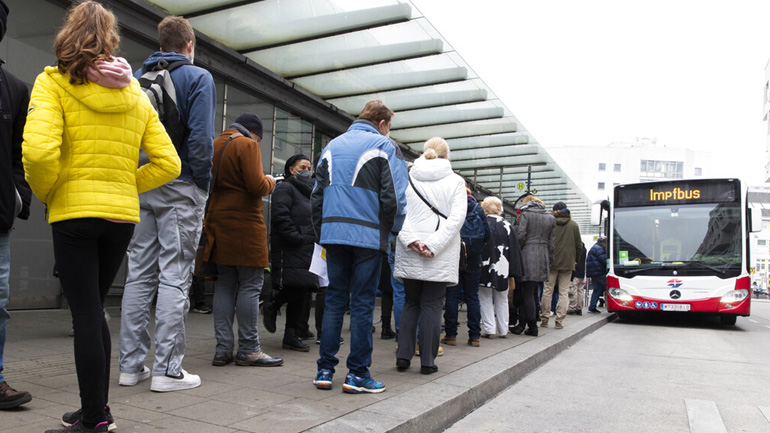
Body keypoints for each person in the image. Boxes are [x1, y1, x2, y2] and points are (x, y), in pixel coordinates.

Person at [22, 2, 181, 431]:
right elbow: (169, 164)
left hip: (73, 214)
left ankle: (93, 418)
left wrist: (49, 191)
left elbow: (38, 152)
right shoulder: (135, 93)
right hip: (120, 219)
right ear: (112, 39)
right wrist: (126, 186)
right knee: (95, 311)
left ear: (68, 34)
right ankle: (97, 410)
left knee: (86, 313)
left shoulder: (51, 82)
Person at [119, 14, 216, 392]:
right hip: (181, 185)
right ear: (189, 45)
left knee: (139, 274)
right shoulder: (197, 78)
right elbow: (200, 141)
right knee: (175, 275)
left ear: (160, 43)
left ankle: (130, 367)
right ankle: (167, 370)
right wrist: (201, 185)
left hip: (141, 185)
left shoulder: (136, 79)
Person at [311, 100, 408, 394]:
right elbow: (395, 198)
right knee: (363, 303)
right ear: (382, 123)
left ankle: (324, 371)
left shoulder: (331, 146)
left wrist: (322, 231)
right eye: (389, 127)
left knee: (334, 301)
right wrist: (390, 232)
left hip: (333, 233)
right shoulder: (384, 147)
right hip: (367, 235)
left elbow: (316, 196)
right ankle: (357, 375)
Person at [202, 113, 282, 367]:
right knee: (250, 284)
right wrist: (270, 181)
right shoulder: (247, 145)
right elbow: (256, 186)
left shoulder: (214, 144)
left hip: (217, 221)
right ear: (254, 132)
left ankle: (223, 349)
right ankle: (249, 348)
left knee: (225, 284)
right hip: (245, 224)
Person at [394, 137, 465, 374]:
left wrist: (413, 241)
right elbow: (456, 220)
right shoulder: (456, 182)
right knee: (433, 305)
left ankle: (403, 356)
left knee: (411, 302)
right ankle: (427, 361)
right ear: (447, 155)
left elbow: (398, 212)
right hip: (440, 253)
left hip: (411, 249)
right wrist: (433, 245)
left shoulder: (408, 177)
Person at [0, 0, 32, 411]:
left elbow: (18, 156)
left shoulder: (14, 88)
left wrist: (17, 194)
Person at [263, 153, 318, 352]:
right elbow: (280, 215)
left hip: (306, 246)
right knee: (297, 285)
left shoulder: (309, 192)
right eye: (303, 167)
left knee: (303, 289)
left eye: (309, 167)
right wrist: (296, 236)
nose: (307, 171)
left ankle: (291, 335)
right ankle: (273, 305)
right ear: (291, 169)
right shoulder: (284, 187)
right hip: (291, 245)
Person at [441, 188, 489, 347]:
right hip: (474, 257)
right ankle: (475, 336)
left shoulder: (451, 206)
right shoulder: (478, 208)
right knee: (472, 296)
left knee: (452, 296)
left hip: (454, 255)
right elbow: (487, 233)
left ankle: (451, 335)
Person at [478, 196, 523, 338]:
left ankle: (490, 329)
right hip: (502, 266)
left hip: (484, 266)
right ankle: (503, 329)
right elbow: (514, 250)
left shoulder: (481, 222)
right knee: (502, 298)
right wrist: (515, 271)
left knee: (484, 296)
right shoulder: (507, 225)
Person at [511, 195, 555, 337]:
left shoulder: (526, 215)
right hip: (542, 257)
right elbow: (552, 242)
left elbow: (521, 235)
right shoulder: (550, 218)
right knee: (530, 291)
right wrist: (549, 259)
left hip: (527, 256)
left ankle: (532, 326)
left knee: (527, 293)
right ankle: (522, 325)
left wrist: (516, 253)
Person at [540, 201, 582, 330]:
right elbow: (578, 245)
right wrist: (575, 259)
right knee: (563, 292)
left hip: (551, 262)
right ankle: (559, 320)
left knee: (547, 291)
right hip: (567, 263)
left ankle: (545, 319)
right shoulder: (574, 225)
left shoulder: (549, 223)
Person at [586, 236, 608, 313]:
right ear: (603, 243)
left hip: (594, 273)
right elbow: (604, 260)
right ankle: (611, 305)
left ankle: (592, 307)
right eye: (606, 243)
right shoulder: (600, 249)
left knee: (597, 289)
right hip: (599, 272)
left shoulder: (594, 247)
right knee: (610, 287)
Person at [567, 243, 587, 315]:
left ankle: (572, 307)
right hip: (582, 272)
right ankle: (579, 308)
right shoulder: (584, 249)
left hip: (575, 272)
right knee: (580, 291)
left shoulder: (575, 249)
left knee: (573, 290)